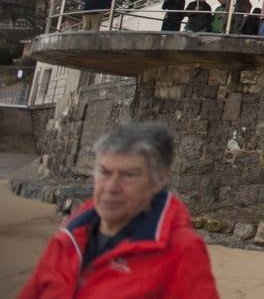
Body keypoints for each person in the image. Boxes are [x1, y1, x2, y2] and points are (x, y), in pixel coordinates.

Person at [20, 120, 220, 298]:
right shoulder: (68, 237)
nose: (111, 187)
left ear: (159, 180)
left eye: (129, 175)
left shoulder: (182, 252)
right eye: (104, 172)